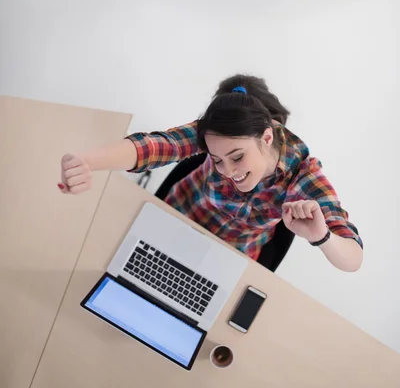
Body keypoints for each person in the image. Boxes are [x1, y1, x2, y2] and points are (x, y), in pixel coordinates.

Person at [58, 74, 363, 272]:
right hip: (175, 216)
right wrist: (88, 161)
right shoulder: (213, 130)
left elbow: (353, 257)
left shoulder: (301, 172)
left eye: (237, 157)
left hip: (228, 255)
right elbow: (154, 146)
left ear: (267, 137)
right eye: (216, 159)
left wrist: (322, 237)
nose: (228, 172)